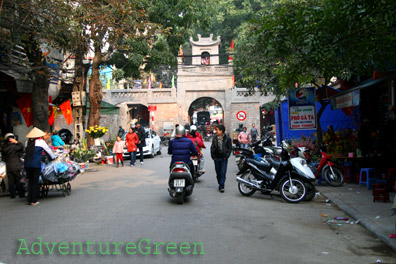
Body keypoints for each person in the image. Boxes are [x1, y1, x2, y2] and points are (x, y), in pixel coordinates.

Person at [24, 127, 56, 206]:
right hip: (35, 164)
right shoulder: (40, 141)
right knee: (35, 182)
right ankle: (34, 200)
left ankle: (29, 199)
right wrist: (53, 158)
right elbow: (48, 151)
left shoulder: (27, 142)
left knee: (30, 182)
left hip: (27, 164)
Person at [1, 133, 24, 199]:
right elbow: (22, 146)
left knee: (10, 181)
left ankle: (12, 195)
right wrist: (16, 142)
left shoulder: (4, 147)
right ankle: (21, 193)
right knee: (18, 179)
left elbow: (3, 158)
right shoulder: (14, 147)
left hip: (8, 166)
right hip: (15, 165)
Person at [210, 125, 232, 193]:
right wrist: (213, 156)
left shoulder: (227, 138)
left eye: (217, 130)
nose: (216, 131)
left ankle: (221, 186)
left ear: (221, 130)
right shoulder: (214, 138)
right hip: (216, 158)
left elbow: (229, 148)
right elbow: (212, 147)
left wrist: (227, 156)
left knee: (223, 172)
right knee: (218, 173)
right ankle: (220, 183)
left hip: (224, 158)